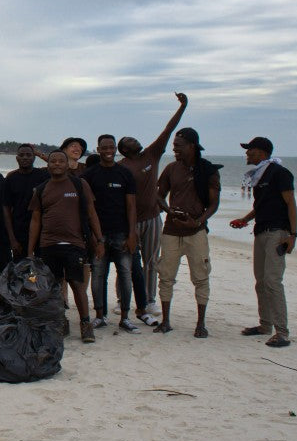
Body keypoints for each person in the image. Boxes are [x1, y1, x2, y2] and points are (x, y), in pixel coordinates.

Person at [119, 92, 187, 320]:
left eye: (135, 139)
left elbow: (168, 130)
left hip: (152, 218)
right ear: (124, 149)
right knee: (126, 262)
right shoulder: (121, 166)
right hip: (129, 221)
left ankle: (149, 299)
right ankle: (123, 299)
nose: (136, 141)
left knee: (151, 260)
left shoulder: (151, 154)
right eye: (130, 141)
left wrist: (182, 107)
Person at [27, 150, 105, 343]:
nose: (57, 164)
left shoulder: (80, 184)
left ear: (68, 164)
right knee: (53, 287)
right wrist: (30, 249)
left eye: (61, 161)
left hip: (75, 244)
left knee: (77, 285)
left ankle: (86, 324)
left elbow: (91, 213)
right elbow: (35, 220)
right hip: (48, 244)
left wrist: (99, 240)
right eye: (53, 161)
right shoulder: (41, 189)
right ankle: (61, 322)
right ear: (47, 165)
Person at [230, 137, 297, 348]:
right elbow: (262, 205)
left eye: (250, 150)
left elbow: (290, 203)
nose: (247, 154)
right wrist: (245, 220)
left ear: (262, 152)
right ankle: (265, 325)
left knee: (272, 281)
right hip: (260, 231)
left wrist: (293, 235)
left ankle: (282, 332)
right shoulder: (258, 176)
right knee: (260, 280)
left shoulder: (280, 173)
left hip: (277, 233)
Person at [155, 127, 221, 338]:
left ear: (192, 146)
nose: (175, 150)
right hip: (172, 230)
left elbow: (213, 204)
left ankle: (200, 323)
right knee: (166, 276)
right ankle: (165, 321)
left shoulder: (208, 171)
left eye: (178, 146)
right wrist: (168, 211)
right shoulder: (172, 169)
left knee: (201, 276)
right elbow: (158, 195)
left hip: (196, 231)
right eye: (174, 146)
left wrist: (198, 221)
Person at [82, 135, 141, 333]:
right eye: (104, 147)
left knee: (125, 274)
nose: (108, 150)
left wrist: (132, 234)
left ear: (116, 149)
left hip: (122, 233)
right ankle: (100, 316)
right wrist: (92, 236)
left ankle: (125, 317)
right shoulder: (89, 175)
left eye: (111, 147)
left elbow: (132, 206)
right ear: (98, 149)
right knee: (98, 275)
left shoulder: (125, 174)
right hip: (99, 235)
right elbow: (86, 209)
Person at [4, 144, 45, 261]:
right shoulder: (10, 179)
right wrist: (12, 239)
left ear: (34, 157)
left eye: (29, 155)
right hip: (19, 232)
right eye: (21, 155)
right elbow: (6, 209)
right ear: (17, 158)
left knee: (41, 273)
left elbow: (60, 166)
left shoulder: (43, 176)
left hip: (41, 232)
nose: (25, 158)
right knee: (20, 273)